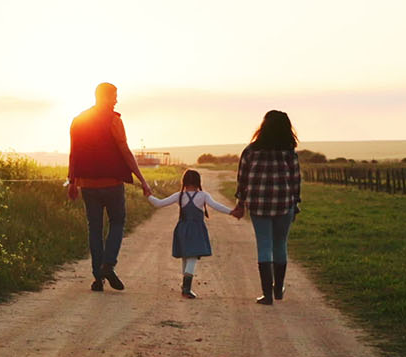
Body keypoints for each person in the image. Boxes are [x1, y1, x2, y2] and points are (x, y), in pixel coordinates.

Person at [68, 82, 153, 292]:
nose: (116, 100)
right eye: (114, 96)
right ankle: (108, 264)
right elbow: (124, 150)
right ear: (104, 97)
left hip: (87, 184)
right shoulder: (113, 121)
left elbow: (74, 153)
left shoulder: (78, 121)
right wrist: (142, 179)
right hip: (112, 183)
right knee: (117, 222)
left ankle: (98, 278)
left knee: (94, 229)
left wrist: (72, 181)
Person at [229, 110, 302, 305]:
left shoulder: (251, 151)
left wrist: (240, 204)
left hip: (258, 204)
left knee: (264, 245)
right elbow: (295, 180)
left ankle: (267, 295)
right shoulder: (289, 152)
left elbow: (242, 180)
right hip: (284, 203)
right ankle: (278, 289)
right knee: (280, 245)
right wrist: (295, 204)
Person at [147, 169, 234, 298]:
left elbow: (159, 203)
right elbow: (216, 206)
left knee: (186, 256)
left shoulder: (179, 196)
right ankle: (186, 288)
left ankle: (185, 285)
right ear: (199, 182)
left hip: (182, 228)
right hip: (197, 228)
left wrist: (148, 195)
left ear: (184, 182)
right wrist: (232, 212)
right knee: (192, 257)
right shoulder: (203, 196)